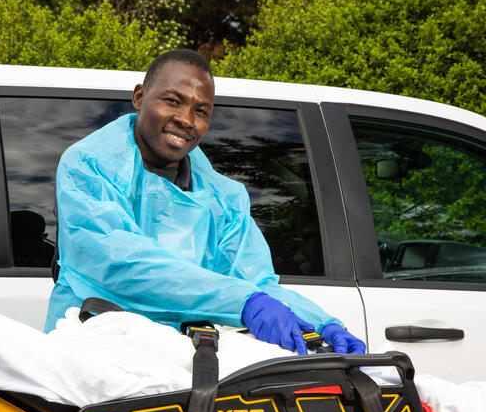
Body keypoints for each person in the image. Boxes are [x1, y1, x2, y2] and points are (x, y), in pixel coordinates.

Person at [46, 49, 365, 355]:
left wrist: (323, 324)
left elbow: (256, 281)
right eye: (173, 101)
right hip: (91, 348)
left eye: (201, 111)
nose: (186, 119)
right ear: (140, 97)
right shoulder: (88, 166)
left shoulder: (224, 198)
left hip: (175, 365)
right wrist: (245, 303)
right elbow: (122, 264)